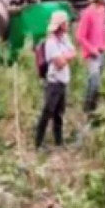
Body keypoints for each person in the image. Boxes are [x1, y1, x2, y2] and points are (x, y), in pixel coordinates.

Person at [35, 11, 75, 149]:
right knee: (47, 112)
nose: (68, 24)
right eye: (66, 22)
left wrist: (64, 56)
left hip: (63, 81)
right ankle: (38, 142)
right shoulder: (51, 42)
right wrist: (66, 56)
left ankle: (59, 141)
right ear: (61, 25)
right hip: (54, 82)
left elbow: (73, 53)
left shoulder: (64, 38)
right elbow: (60, 63)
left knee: (59, 113)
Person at [77, 0, 105, 114]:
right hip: (92, 54)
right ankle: (87, 110)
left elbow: (103, 29)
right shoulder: (87, 13)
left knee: (98, 83)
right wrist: (91, 49)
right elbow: (80, 36)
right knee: (94, 82)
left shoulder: (102, 10)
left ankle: (93, 110)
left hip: (101, 52)